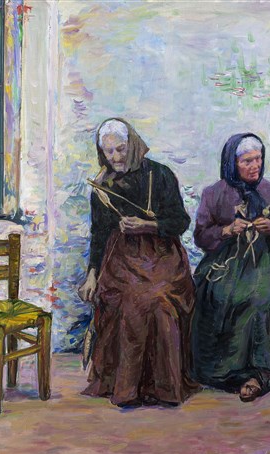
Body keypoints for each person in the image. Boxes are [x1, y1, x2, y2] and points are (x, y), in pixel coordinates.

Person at [78, 118, 198, 408]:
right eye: (108, 152)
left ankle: (164, 387)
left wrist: (148, 225)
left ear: (132, 145)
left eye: (120, 149)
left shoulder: (160, 175)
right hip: (121, 259)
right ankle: (127, 387)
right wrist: (92, 274)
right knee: (132, 300)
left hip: (162, 255)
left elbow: (180, 221)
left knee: (160, 301)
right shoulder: (102, 186)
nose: (115, 157)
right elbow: (99, 234)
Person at [191, 133, 270, 403]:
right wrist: (227, 230)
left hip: (266, 260)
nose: (255, 166)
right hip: (226, 262)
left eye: (258, 159)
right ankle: (230, 371)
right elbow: (201, 236)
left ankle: (261, 373)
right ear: (232, 164)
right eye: (247, 161)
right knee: (221, 296)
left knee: (265, 299)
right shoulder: (214, 193)